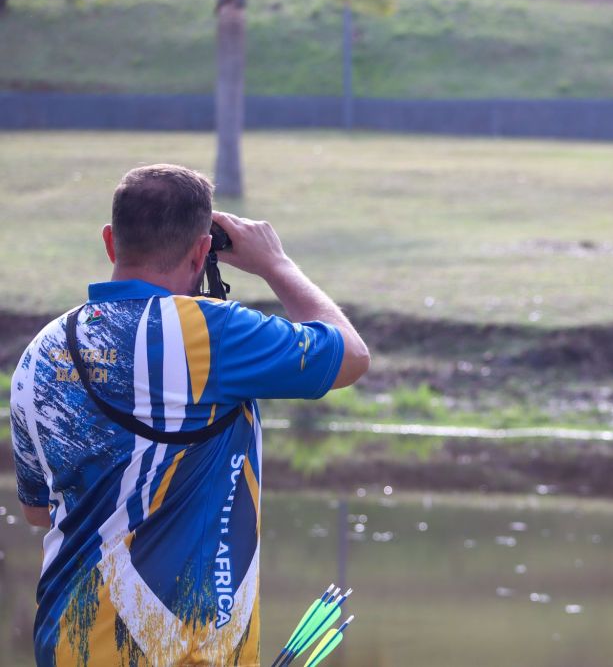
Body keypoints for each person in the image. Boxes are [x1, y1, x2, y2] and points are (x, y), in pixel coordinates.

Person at [9, 164, 370, 666]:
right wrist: (275, 264)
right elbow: (350, 356)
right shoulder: (210, 334)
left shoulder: (43, 352)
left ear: (111, 242)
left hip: (67, 643)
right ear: (202, 252)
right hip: (183, 654)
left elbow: (37, 510)